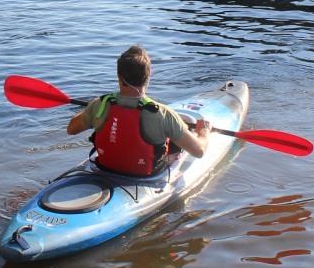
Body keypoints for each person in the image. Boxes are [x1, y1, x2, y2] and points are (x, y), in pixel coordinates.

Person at [66, 45, 212, 176]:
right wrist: (203, 132)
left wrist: (92, 111)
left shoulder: (99, 104)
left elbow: (71, 129)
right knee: (176, 142)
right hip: (147, 174)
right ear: (149, 75)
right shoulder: (164, 114)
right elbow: (199, 151)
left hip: (106, 168)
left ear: (119, 76)